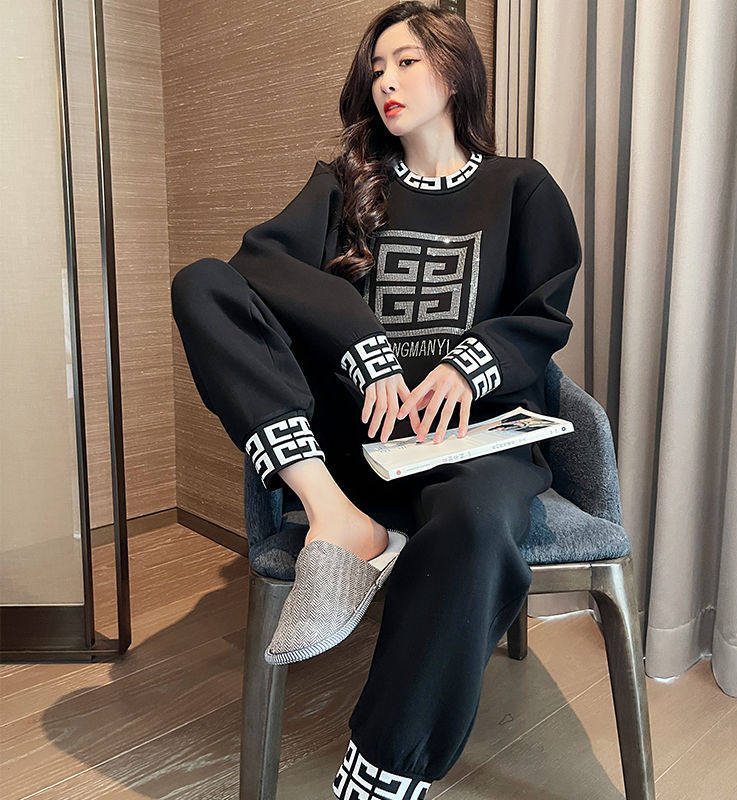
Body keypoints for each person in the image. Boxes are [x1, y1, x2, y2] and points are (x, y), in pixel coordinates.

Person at [170, 3, 582, 797]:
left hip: (471, 444)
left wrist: (469, 365)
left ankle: (381, 777)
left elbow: (544, 312)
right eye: (377, 68)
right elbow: (259, 262)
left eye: (407, 62)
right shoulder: (344, 185)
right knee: (201, 284)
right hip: (354, 446)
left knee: (477, 523)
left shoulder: (520, 187)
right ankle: (337, 518)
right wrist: (367, 348)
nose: (384, 81)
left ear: (455, 72)